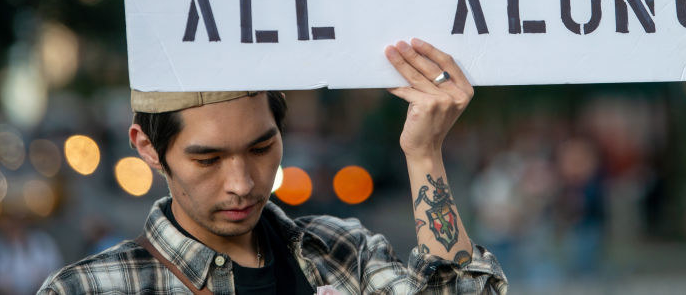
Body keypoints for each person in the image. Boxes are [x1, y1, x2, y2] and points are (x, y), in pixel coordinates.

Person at [38, 39, 507, 294]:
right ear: (148, 149)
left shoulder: (345, 254)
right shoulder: (88, 289)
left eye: (261, 149)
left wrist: (425, 154)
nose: (242, 184)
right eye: (208, 159)